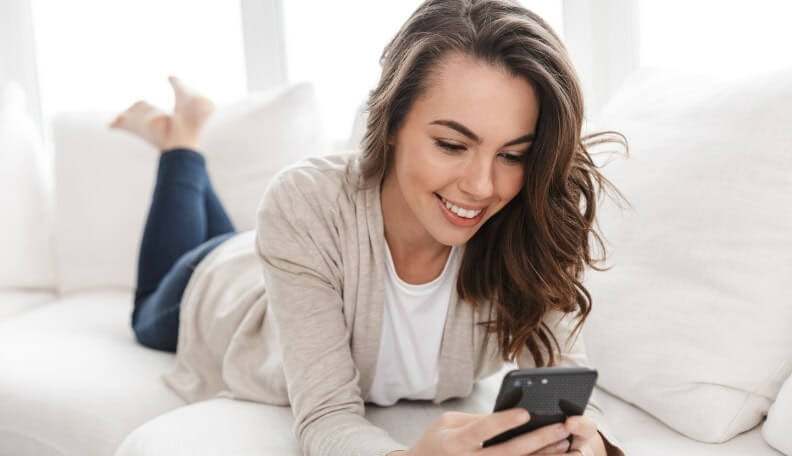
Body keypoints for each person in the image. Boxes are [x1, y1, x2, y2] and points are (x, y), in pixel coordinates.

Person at [110, 1, 627, 455]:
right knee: (149, 306)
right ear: (393, 124)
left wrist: (585, 443)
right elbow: (325, 418)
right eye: (452, 145)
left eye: (513, 155)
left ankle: (184, 143)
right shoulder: (303, 200)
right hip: (223, 286)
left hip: (287, 252)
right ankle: (181, 144)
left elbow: (566, 378)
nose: (481, 185)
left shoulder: (530, 219)